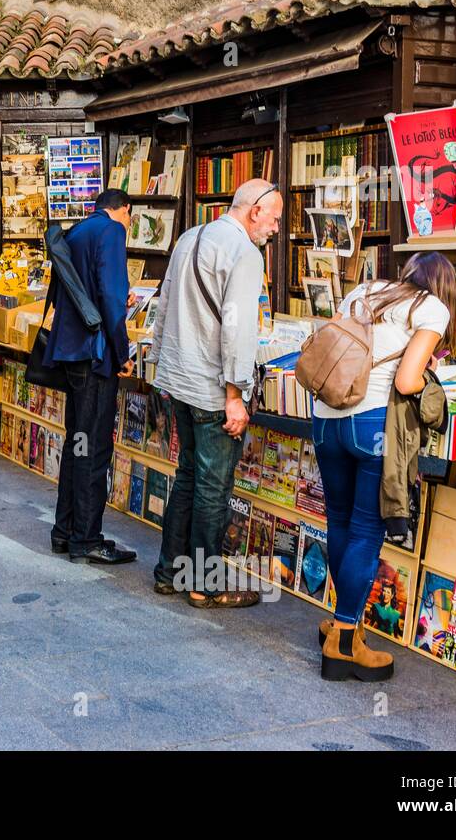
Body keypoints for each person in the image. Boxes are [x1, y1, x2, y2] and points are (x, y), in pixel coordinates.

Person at [313, 252, 456, 682]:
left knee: (339, 522)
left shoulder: (365, 290)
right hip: (373, 424)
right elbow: (406, 381)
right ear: (443, 284)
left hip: (326, 418)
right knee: (366, 531)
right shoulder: (430, 307)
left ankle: (345, 625)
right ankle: (342, 643)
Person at [149, 178, 283, 607]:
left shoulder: (189, 237)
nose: (277, 229)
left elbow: (163, 305)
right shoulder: (244, 253)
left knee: (187, 476)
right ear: (254, 210)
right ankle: (203, 584)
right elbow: (238, 329)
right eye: (275, 218)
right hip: (211, 389)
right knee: (212, 488)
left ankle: (170, 571)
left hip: (179, 380)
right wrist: (235, 393)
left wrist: (157, 362)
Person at [42, 188, 137, 565]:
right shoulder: (112, 232)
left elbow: (86, 289)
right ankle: (87, 538)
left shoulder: (78, 231)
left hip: (71, 353)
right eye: (130, 218)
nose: (129, 225)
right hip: (96, 357)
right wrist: (123, 350)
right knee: (94, 447)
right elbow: (112, 298)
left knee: (76, 442)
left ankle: (64, 531)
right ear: (124, 210)